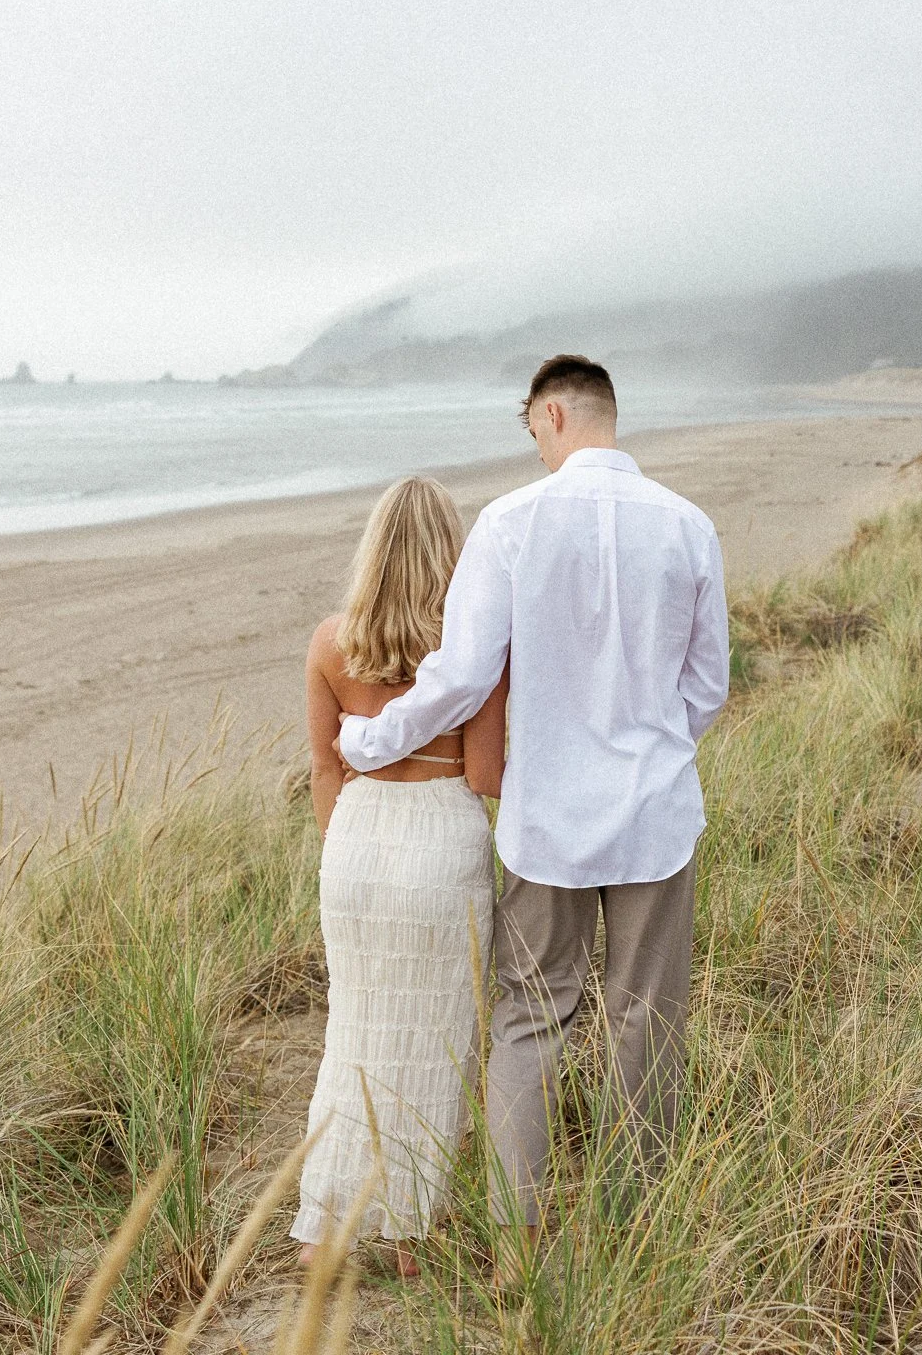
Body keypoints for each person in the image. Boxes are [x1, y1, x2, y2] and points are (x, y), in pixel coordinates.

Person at [336, 355, 731, 1281]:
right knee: (646, 1018)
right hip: (654, 816)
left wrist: (370, 741)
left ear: (552, 415)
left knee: (529, 1018)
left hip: (547, 818)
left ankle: (518, 1248)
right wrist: (652, 753)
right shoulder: (688, 525)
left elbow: (463, 677)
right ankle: (634, 1229)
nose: (535, 448)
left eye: (530, 431)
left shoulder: (511, 522)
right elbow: (708, 684)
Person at [293, 475, 510, 1278]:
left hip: (356, 844)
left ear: (374, 551)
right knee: (436, 1039)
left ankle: (324, 1228)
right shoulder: (472, 648)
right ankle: (410, 1234)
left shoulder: (330, 642)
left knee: (353, 1032)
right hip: (441, 844)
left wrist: (347, 850)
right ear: (451, 552)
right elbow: (484, 775)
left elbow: (324, 768)